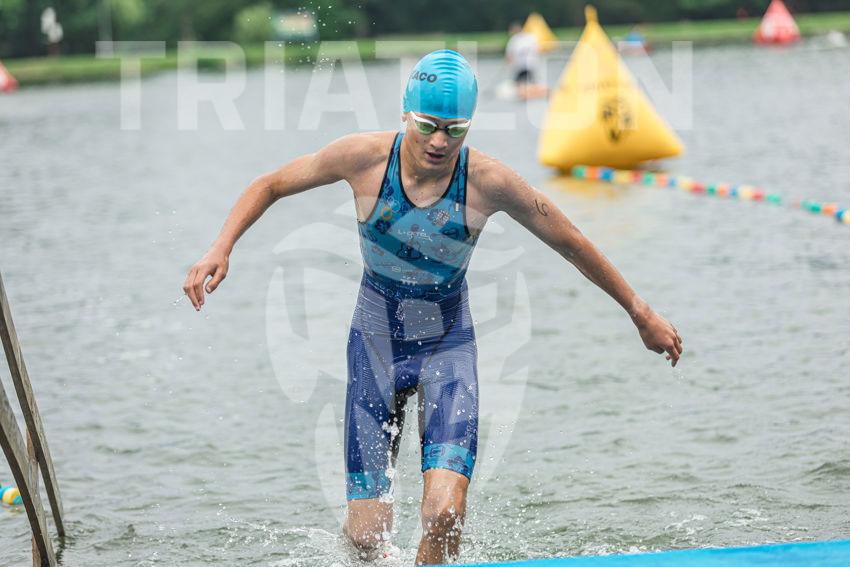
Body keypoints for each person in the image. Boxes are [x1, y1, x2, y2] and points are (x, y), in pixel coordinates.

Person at [183, 49, 683, 565]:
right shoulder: (362, 158)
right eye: (427, 125)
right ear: (406, 112)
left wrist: (639, 312)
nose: (440, 141)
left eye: (454, 129)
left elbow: (571, 241)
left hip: (448, 346)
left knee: (444, 514)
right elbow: (270, 184)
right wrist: (221, 247)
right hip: (375, 345)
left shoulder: (488, 181)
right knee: (366, 537)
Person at [505, 22, 547, 100]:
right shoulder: (530, 37)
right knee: (531, 82)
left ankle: (526, 95)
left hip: (523, 67)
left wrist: (509, 66)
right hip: (530, 66)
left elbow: (509, 57)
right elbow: (539, 50)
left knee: (520, 84)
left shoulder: (513, 40)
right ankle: (540, 92)